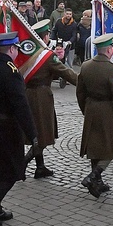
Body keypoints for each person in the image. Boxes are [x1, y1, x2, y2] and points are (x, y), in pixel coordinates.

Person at [0, 32, 39, 225]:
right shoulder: (11, 72)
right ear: (11, 49)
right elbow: (21, 105)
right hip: (6, 126)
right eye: (16, 50)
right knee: (13, 168)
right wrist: (32, 134)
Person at [76, 33, 113, 197]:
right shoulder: (111, 70)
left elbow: (80, 93)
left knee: (95, 146)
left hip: (91, 109)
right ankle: (92, 176)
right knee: (111, 147)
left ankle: (97, 183)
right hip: (107, 111)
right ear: (108, 50)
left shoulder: (85, 66)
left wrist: (85, 109)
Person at [22, 20, 78, 178]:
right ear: (45, 36)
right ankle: (22, 163)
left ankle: (40, 167)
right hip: (41, 97)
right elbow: (67, 73)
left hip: (28, 94)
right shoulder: (46, 56)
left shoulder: (29, 51)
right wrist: (86, 83)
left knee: (36, 131)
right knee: (43, 133)